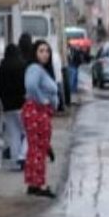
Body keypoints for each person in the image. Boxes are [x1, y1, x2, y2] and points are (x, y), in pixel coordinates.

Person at [23, 40, 62, 198]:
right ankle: (39, 184)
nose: (45, 54)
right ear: (34, 53)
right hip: (36, 112)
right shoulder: (34, 69)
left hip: (38, 111)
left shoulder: (40, 69)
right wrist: (43, 101)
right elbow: (31, 86)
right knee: (38, 150)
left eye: (47, 51)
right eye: (41, 51)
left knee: (37, 148)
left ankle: (33, 183)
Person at [0, 44, 27, 170]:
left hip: (7, 107)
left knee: (13, 134)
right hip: (22, 104)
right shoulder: (22, 66)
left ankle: (15, 160)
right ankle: (22, 156)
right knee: (28, 132)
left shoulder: (1, 68)